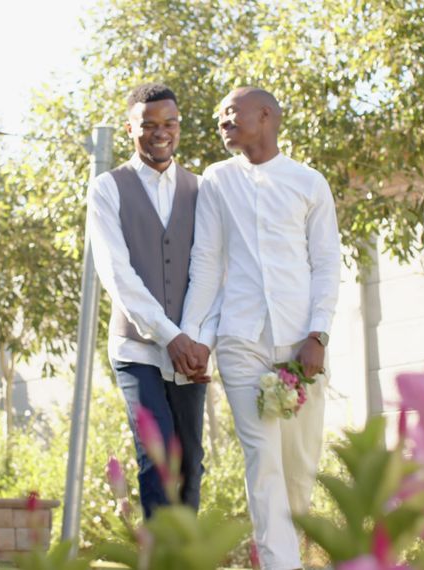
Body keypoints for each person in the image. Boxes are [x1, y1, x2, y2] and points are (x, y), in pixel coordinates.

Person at [179, 87, 341, 569]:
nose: (222, 122)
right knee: (263, 461)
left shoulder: (309, 183)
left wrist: (318, 335)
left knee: (299, 466)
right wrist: (194, 337)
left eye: (231, 113)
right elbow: (206, 262)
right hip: (241, 341)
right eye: (219, 116)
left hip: (300, 345)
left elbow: (327, 263)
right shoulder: (216, 180)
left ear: (265, 115)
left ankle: (291, 552)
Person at [85, 82, 212, 517]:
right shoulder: (108, 188)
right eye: (149, 125)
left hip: (190, 348)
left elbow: (209, 268)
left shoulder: (201, 189)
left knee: (190, 466)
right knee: (157, 460)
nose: (161, 132)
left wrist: (193, 339)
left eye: (170, 123)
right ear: (129, 128)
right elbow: (116, 272)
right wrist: (168, 336)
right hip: (137, 348)